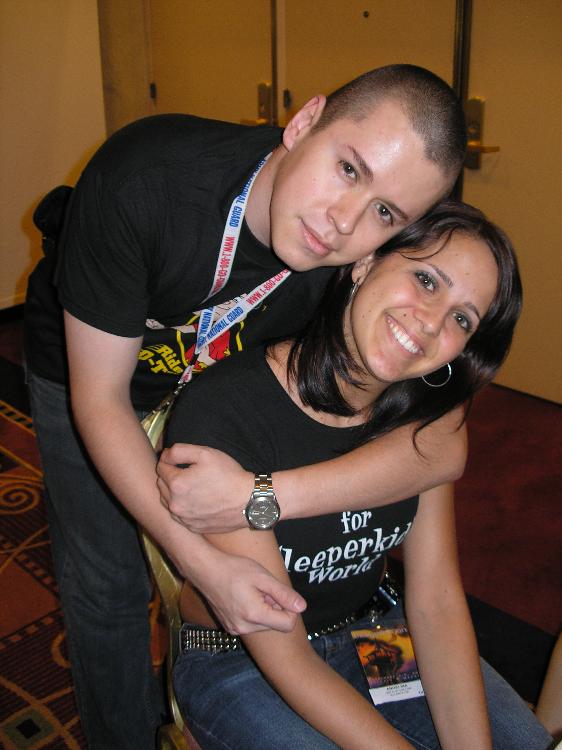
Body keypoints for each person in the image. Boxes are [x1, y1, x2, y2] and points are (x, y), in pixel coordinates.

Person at [24, 65, 468, 748]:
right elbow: (100, 399)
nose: (342, 223)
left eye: (386, 213)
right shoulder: (147, 181)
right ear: (305, 120)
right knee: (109, 583)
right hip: (94, 374)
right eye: (348, 168)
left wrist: (261, 497)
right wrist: (199, 563)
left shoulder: (354, 270)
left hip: (216, 384)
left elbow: (442, 445)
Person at [166, 202, 552, 749]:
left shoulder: (424, 423)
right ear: (367, 262)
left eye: (462, 319)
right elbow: (285, 653)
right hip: (241, 657)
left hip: (373, 634)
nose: (432, 322)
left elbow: (436, 602)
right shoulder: (228, 410)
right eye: (425, 280)